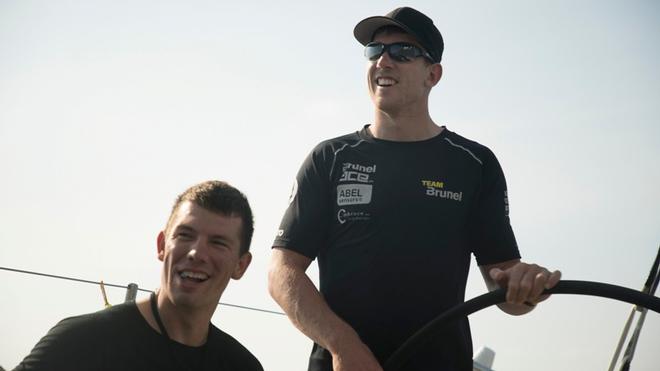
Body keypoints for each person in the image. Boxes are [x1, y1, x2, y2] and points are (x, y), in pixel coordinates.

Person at [268, 7, 561, 371]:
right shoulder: (329, 158)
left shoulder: (474, 164)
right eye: (375, 51)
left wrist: (524, 285)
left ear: (433, 75)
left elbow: (507, 295)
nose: (384, 62)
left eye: (403, 52)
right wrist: (344, 346)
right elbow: (282, 273)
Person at [14, 180, 263, 371]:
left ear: (241, 265)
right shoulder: (83, 342)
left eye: (218, 243)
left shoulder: (241, 366)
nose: (196, 252)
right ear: (162, 245)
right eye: (185, 235)